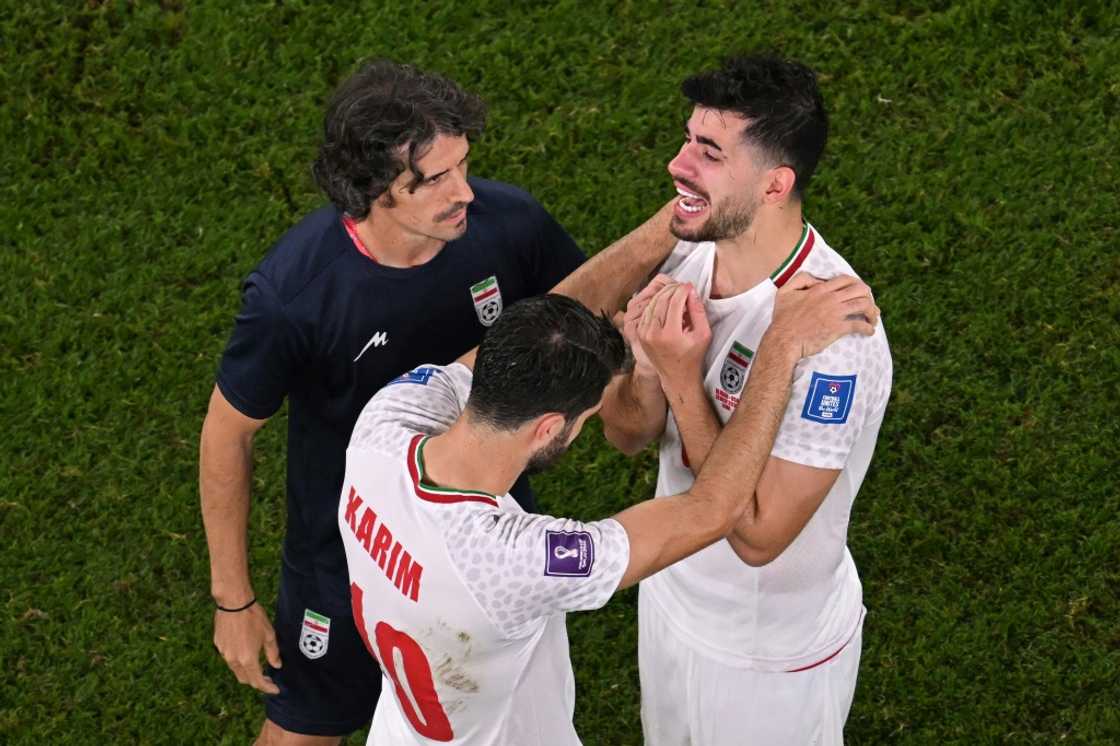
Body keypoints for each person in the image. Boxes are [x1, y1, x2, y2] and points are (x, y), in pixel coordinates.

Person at [199, 59, 676, 745]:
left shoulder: (507, 224)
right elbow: (228, 433)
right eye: (433, 180)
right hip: (351, 543)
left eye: (463, 166)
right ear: (370, 189)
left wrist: (668, 233)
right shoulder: (295, 296)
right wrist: (232, 599)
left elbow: (571, 313)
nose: (464, 193)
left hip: (484, 530)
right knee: (302, 730)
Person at [339, 276, 877, 744]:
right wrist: (781, 344)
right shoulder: (511, 561)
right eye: (585, 418)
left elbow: (511, 347)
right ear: (550, 429)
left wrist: (665, 231)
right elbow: (714, 509)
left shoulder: (383, 424)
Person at [599, 54, 894, 745]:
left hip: (766, 654)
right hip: (670, 596)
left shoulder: (836, 339)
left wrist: (681, 376)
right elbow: (627, 435)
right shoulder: (688, 252)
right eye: (687, 140)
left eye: (709, 153)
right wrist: (647, 370)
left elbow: (759, 534)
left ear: (774, 185)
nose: (677, 165)